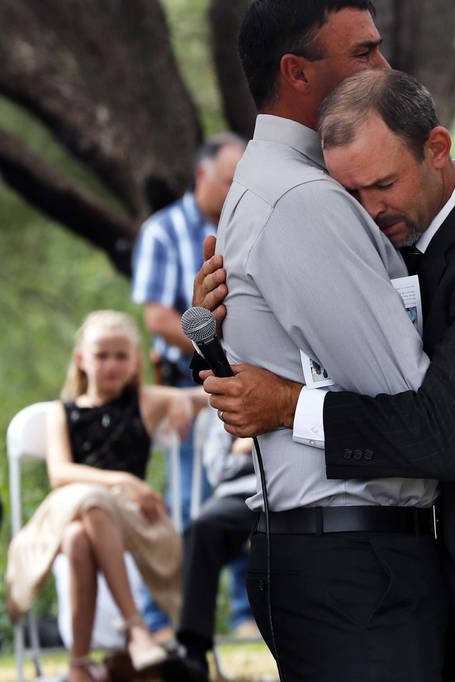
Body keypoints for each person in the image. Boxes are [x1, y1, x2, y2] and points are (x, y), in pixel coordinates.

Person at [183, 2, 455, 680]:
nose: (385, 66)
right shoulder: (307, 200)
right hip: (354, 567)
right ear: (297, 71)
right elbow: (429, 413)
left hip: (363, 564)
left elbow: (434, 301)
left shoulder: (304, 187)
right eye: (363, 52)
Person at [5, 311, 208, 682]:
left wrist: (181, 399)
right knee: (84, 513)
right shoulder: (60, 413)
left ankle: (78, 664)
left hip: (129, 521)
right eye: (101, 355)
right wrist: (123, 482)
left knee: (84, 527)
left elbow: (208, 393)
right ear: (82, 358)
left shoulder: (146, 402)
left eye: (120, 356)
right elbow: (60, 474)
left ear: (135, 362)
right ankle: (135, 629)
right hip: (70, 511)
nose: (111, 365)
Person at [131, 132, 254, 639]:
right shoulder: (163, 231)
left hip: (246, 384)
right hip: (189, 389)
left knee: (247, 495)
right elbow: (159, 319)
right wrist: (216, 349)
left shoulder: (246, 228)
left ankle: (246, 615)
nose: (236, 191)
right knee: (185, 504)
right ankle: (163, 620)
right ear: (202, 176)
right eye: (230, 181)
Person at [162, 410, 256, 682]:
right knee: (202, 528)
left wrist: (244, 446)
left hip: (289, 493)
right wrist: (260, 446)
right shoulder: (225, 400)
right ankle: (193, 654)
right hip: (239, 494)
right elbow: (218, 468)